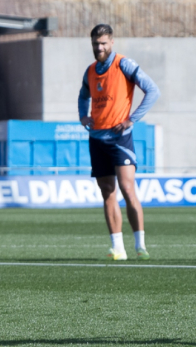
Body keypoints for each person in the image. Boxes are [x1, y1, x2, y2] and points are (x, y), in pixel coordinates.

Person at [78, 24, 160, 261]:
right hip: (96, 138)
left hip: (120, 138)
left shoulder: (124, 64)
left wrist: (131, 119)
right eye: (95, 43)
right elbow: (83, 96)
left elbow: (152, 91)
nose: (99, 47)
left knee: (127, 188)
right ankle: (118, 248)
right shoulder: (90, 71)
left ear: (112, 42)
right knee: (107, 192)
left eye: (103, 43)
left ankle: (140, 245)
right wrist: (83, 116)